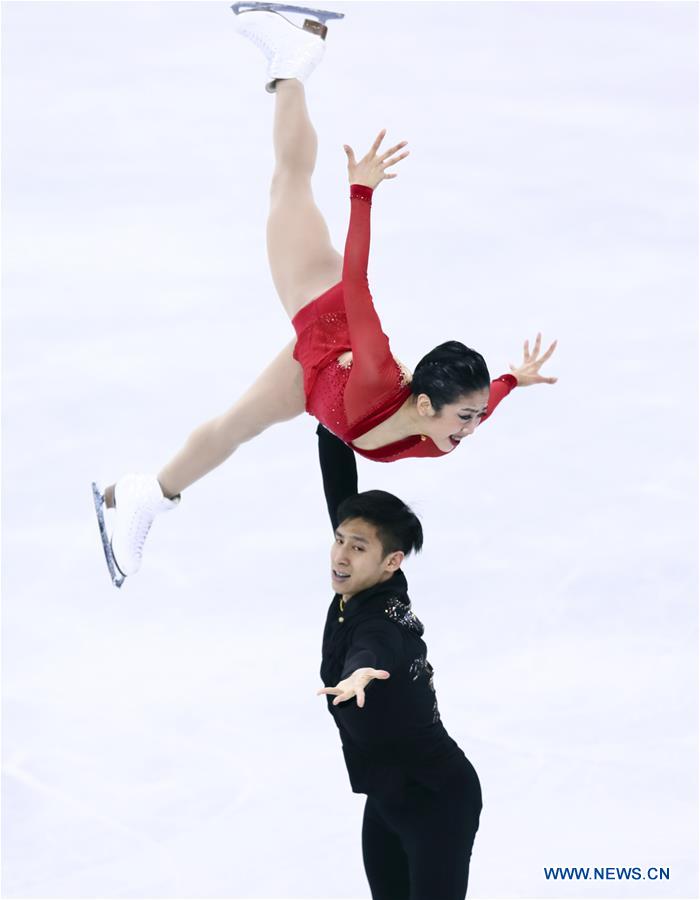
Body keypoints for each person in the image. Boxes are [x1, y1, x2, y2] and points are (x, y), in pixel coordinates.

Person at [92, 2, 558, 587]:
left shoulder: (445, 426)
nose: (472, 427)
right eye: (467, 417)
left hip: (315, 382)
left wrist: (516, 379)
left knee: (236, 426)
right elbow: (357, 285)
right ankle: (291, 65)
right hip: (323, 303)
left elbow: (489, 393)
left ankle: (147, 492)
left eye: (475, 415)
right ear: (424, 404)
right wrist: (361, 195)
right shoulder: (376, 374)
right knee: (289, 179)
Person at [315, 422, 482, 899]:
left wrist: (360, 672)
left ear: (393, 561)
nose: (341, 554)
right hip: (387, 795)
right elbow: (341, 492)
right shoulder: (365, 572)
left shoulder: (382, 620)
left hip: (438, 800)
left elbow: (375, 648)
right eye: (340, 539)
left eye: (357, 546)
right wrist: (330, 419)